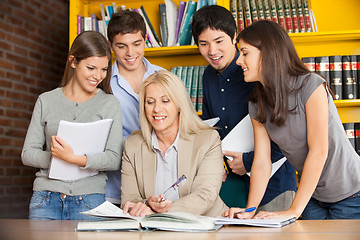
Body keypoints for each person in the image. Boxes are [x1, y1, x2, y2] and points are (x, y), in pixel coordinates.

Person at [225, 20, 360, 220]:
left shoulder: (311, 86)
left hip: (351, 193)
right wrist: (250, 209)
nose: (238, 60)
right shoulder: (256, 103)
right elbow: (262, 162)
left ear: (268, 52)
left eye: (245, 53)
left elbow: (319, 151)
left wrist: (293, 211)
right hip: (313, 195)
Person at [191, 5, 297, 212]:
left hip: (274, 183)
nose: (212, 51)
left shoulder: (256, 70)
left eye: (219, 41)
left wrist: (247, 161)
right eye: (204, 44)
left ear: (234, 37)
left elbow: (288, 133)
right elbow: (211, 128)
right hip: (232, 183)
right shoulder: (208, 76)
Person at [21, 31, 123, 220]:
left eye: (104, 69)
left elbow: (113, 158)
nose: (98, 76)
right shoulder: (46, 100)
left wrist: (75, 159)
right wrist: (58, 158)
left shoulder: (110, 103)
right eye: (91, 68)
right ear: (73, 61)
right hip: (45, 198)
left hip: (90, 201)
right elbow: (28, 154)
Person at [120, 70, 228, 217]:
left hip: (205, 227)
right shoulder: (132, 146)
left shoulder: (208, 140)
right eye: (150, 102)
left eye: (165, 101)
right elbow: (129, 202)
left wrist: (158, 213)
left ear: (179, 104)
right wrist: (146, 204)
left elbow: (204, 196)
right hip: (154, 232)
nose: (157, 109)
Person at [105, 9, 165, 205]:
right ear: (111, 46)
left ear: (145, 40)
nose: (130, 53)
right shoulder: (102, 83)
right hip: (116, 189)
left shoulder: (164, 76)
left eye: (137, 44)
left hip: (161, 188)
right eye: (122, 46)